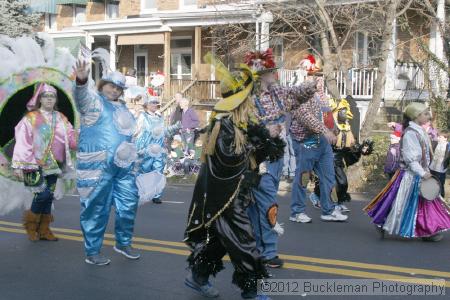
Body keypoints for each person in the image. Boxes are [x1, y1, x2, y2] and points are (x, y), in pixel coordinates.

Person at [184, 54, 283, 300]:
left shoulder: (241, 122)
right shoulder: (225, 125)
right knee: (243, 241)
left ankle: (198, 276)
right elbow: (232, 161)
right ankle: (252, 290)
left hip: (234, 194)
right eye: (248, 96)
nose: (251, 100)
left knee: (221, 240)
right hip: (225, 197)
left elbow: (254, 157)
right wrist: (261, 139)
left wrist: (267, 137)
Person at [74, 59, 141, 266]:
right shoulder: (93, 102)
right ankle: (92, 251)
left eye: (119, 88)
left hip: (124, 167)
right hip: (98, 165)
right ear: (103, 85)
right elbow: (81, 97)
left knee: (129, 204)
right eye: (112, 86)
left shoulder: (124, 109)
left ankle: (123, 243)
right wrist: (81, 80)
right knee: (96, 208)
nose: (115, 90)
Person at [364, 103, 450, 242]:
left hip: (420, 173)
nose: (428, 116)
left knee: (426, 202)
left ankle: (429, 231)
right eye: (425, 113)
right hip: (410, 176)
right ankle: (383, 223)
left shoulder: (420, 131)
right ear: (416, 116)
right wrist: (423, 173)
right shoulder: (410, 133)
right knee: (403, 203)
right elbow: (411, 159)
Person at [12, 83, 77, 241]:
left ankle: (44, 229)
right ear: (39, 99)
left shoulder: (61, 118)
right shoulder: (30, 118)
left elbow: (71, 138)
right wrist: (20, 165)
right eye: (46, 96)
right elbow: (22, 142)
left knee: (48, 197)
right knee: (42, 195)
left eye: (52, 96)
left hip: (54, 166)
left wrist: (86, 136)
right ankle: (31, 225)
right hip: (31, 165)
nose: (49, 99)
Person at [289, 80, 348, 223]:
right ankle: (297, 212)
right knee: (303, 177)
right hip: (305, 142)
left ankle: (329, 210)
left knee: (329, 177)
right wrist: (325, 131)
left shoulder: (320, 97)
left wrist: (334, 129)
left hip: (322, 142)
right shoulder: (298, 100)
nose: (319, 85)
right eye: (315, 85)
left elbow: (327, 114)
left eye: (319, 84)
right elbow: (307, 118)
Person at [134, 96, 180, 204]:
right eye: (152, 103)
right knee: (144, 171)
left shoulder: (160, 117)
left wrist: (175, 128)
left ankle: (156, 195)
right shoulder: (142, 117)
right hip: (146, 150)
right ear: (147, 105)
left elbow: (164, 132)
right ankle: (141, 192)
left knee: (158, 171)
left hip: (158, 150)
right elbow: (135, 131)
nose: (155, 105)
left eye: (156, 103)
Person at [429, 130, 449, 197]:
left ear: (445, 138)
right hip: (432, 167)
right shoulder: (436, 143)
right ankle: (432, 199)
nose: (438, 138)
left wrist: (445, 166)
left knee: (440, 185)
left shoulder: (448, 146)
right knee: (431, 184)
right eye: (438, 136)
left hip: (441, 170)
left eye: (440, 137)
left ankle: (441, 201)